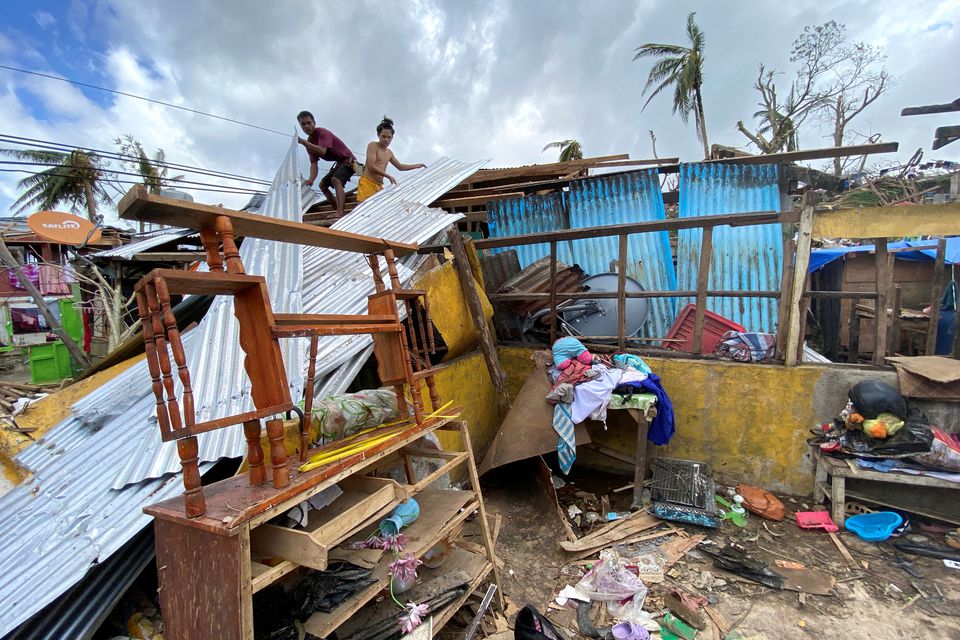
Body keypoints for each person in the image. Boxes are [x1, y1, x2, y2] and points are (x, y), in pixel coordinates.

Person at [296, 110, 357, 217]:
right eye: (303, 124)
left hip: (349, 161)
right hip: (339, 164)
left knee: (335, 180)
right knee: (322, 185)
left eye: (308, 123)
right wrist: (311, 179)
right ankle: (336, 209)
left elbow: (322, 151)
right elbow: (314, 164)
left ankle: (340, 212)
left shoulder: (323, 133)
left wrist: (304, 143)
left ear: (314, 122)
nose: (306, 126)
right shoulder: (309, 142)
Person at [357, 116, 426, 203]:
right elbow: (371, 166)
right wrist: (388, 176)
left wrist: (417, 165)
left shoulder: (389, 153)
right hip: (367, 183)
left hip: (378, 186)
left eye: (389, 137)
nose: (386, 139)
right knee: (363, 211)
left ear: (392, 138)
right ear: (378, 135)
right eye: (384, 136)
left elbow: (400, 166)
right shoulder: (373, 146)